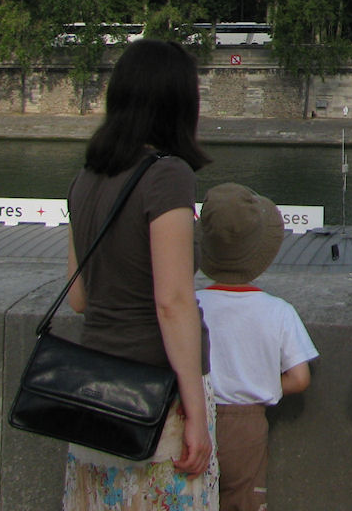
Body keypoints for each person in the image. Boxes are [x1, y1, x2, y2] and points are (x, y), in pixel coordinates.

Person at [62, 38, 219, 509]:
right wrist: (195, 413)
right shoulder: (167, 175)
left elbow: (79, 298)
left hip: (92, 393)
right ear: (179, 104)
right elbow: (173, 301)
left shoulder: (86, 178)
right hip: (153, 399)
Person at [196, 183, 319, 511]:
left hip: (193, 414)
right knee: (244, 500)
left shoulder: (193, 305)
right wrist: (261, 382)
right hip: (246, 425)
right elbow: (299, 378)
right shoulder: (278, 311)